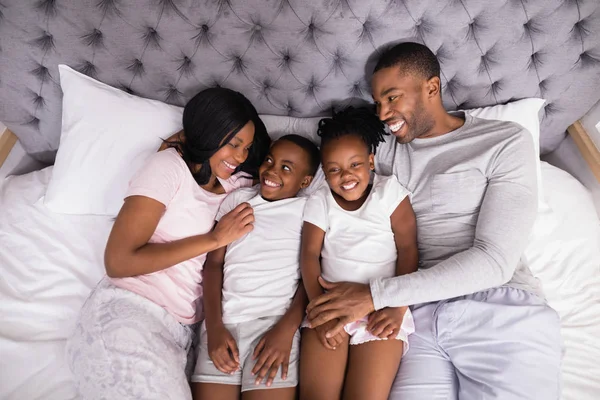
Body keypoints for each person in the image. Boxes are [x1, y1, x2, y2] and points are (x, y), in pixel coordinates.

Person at [305, 42, 562, 399]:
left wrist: (375, 295)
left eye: (393, 98)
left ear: (431, 87)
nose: (383, 113)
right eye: (378, 102)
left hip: (498, 308)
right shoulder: (381, 149)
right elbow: (318, 140)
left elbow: (494, 262)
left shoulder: (503, 141)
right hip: (416, 319)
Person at [66, 88, 271, 400]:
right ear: (208, 133)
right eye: (234, 144)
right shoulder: (167, 167)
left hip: (179, 334)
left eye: (247, 147)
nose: (241, 156)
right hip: (129, 313)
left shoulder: (234, 184)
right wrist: (214, 239)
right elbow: (119, 261)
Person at [299, 107, 418, 400]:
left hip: (383, 308)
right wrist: (318, 307)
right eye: (335, 170)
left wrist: (398, 306)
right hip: (328, 307)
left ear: (370, 162)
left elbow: (408, 249)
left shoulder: (389, 192)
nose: (346, 176)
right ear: (324, 173)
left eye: (355, 165)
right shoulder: (320, 201)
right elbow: (309, 256)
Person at [191, 134, 320, 400]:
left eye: (286, 168)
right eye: (270, 161)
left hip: (274, 328)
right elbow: (214, 265)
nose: (272, 171)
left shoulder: (310, 210)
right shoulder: (238, 201)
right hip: (224, 325)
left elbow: (313, 275)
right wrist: (213, 327)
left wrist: (286, 331)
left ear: (305, 181)